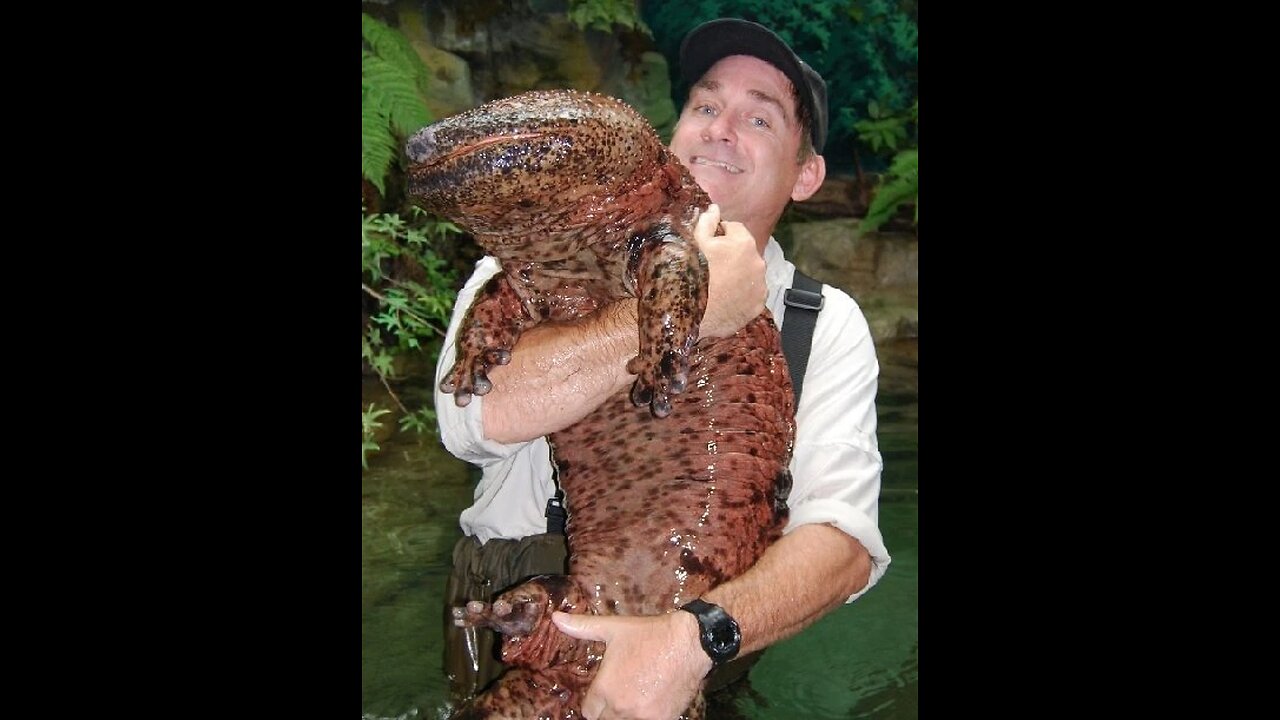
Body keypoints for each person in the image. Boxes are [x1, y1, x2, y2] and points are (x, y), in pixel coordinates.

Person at [435, 17, 891, 720]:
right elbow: (473, 418)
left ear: (807, 174)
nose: (719, 128)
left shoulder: (825, 324)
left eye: (758, 118)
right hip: (510, 629)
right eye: (705, 106)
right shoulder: (531, 254)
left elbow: (841, 547)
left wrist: (692, 641)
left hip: (694, 659)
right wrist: (691, 311)